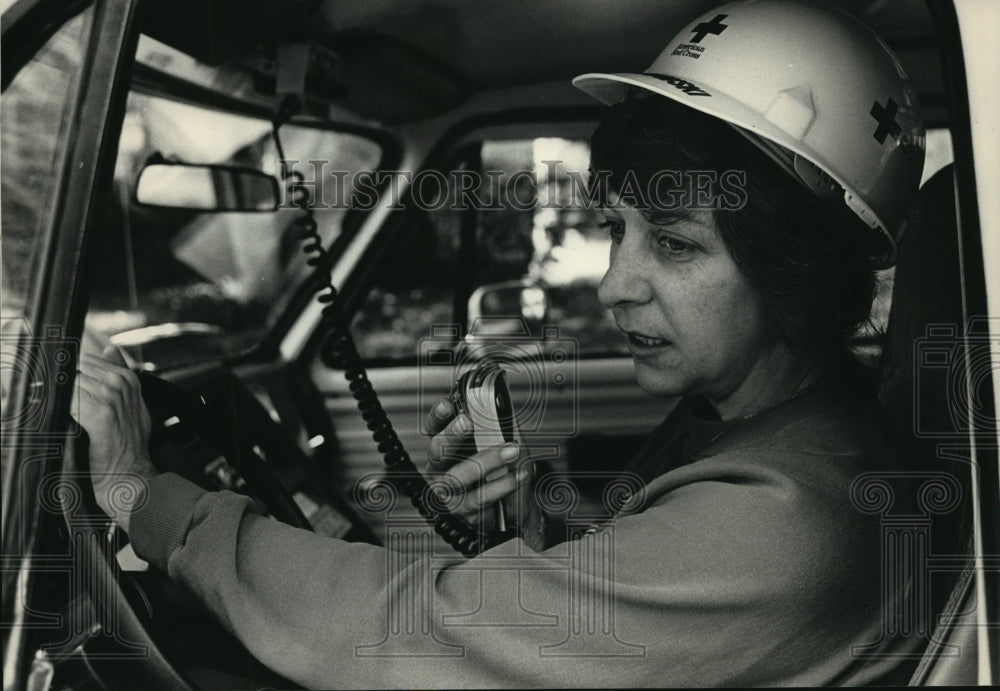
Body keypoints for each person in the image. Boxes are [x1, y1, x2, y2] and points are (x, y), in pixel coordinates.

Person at [73, 0, 928, 686]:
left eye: (673, 244)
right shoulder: (759, 425)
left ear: (797, 271)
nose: (612, 283)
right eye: (616, 230)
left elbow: (414, 632)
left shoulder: (790, 516)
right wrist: (532, 508)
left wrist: (143, 496)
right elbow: (648, 599)